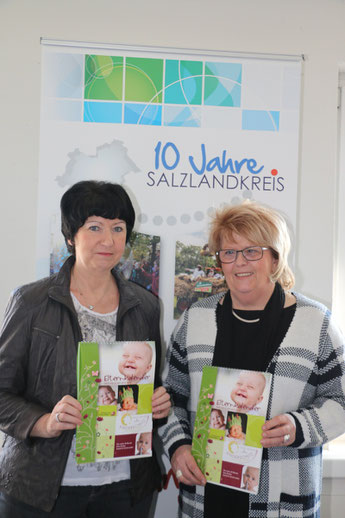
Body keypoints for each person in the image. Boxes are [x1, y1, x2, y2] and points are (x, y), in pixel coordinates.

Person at [159, 200, 345, 518]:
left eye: (252, 251)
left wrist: (298, 427)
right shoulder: (196, 319)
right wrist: (178, 447)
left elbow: (340, 400)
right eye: (229, 252)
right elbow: (170, 397)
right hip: (205, 497)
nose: (239, 262)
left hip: (280, 502)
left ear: (274, 257)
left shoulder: (315, 323)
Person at [0, 180, 171, 517]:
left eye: (118, 228)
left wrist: (157, 404)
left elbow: (148, 388)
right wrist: (44, 422)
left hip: (126, 489)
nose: (108, 240)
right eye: (94, 227)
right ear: (70, 235)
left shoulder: (146, 306)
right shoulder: (31, 302)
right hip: (42, 488)